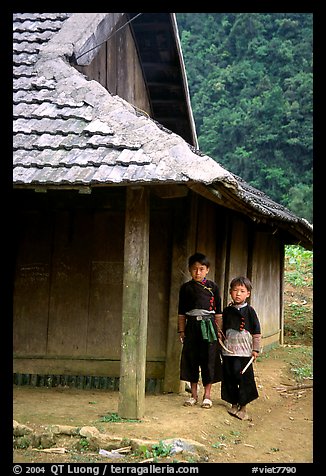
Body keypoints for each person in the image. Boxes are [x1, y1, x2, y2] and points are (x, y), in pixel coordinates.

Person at [178, 252, 223, 409]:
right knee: (191, 359)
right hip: (191, 327)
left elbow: (218, 312)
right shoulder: (185, 288)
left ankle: (207, 395)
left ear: (207, 270)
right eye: (195, 269)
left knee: (209, 359)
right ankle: (193, 395)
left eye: (201, 269)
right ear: (190, 270)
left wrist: (219, 331)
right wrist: (182, 331)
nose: (198, 272)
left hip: (209, 326)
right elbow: (181, 312)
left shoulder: (213, 287)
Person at [220, 276, 261, 420]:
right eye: (235, 290)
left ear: (248, 293)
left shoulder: (250, 311)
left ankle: (243, 407)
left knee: (244, 378)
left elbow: (256, 332)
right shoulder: (226, 311)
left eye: (242, 291)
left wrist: (255, 350)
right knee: (229, 376)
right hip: (228, 351)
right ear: (230, 292)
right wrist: (221, 346)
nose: (238, 294)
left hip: (245, 353)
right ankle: (233, 404)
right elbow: (221, 331)